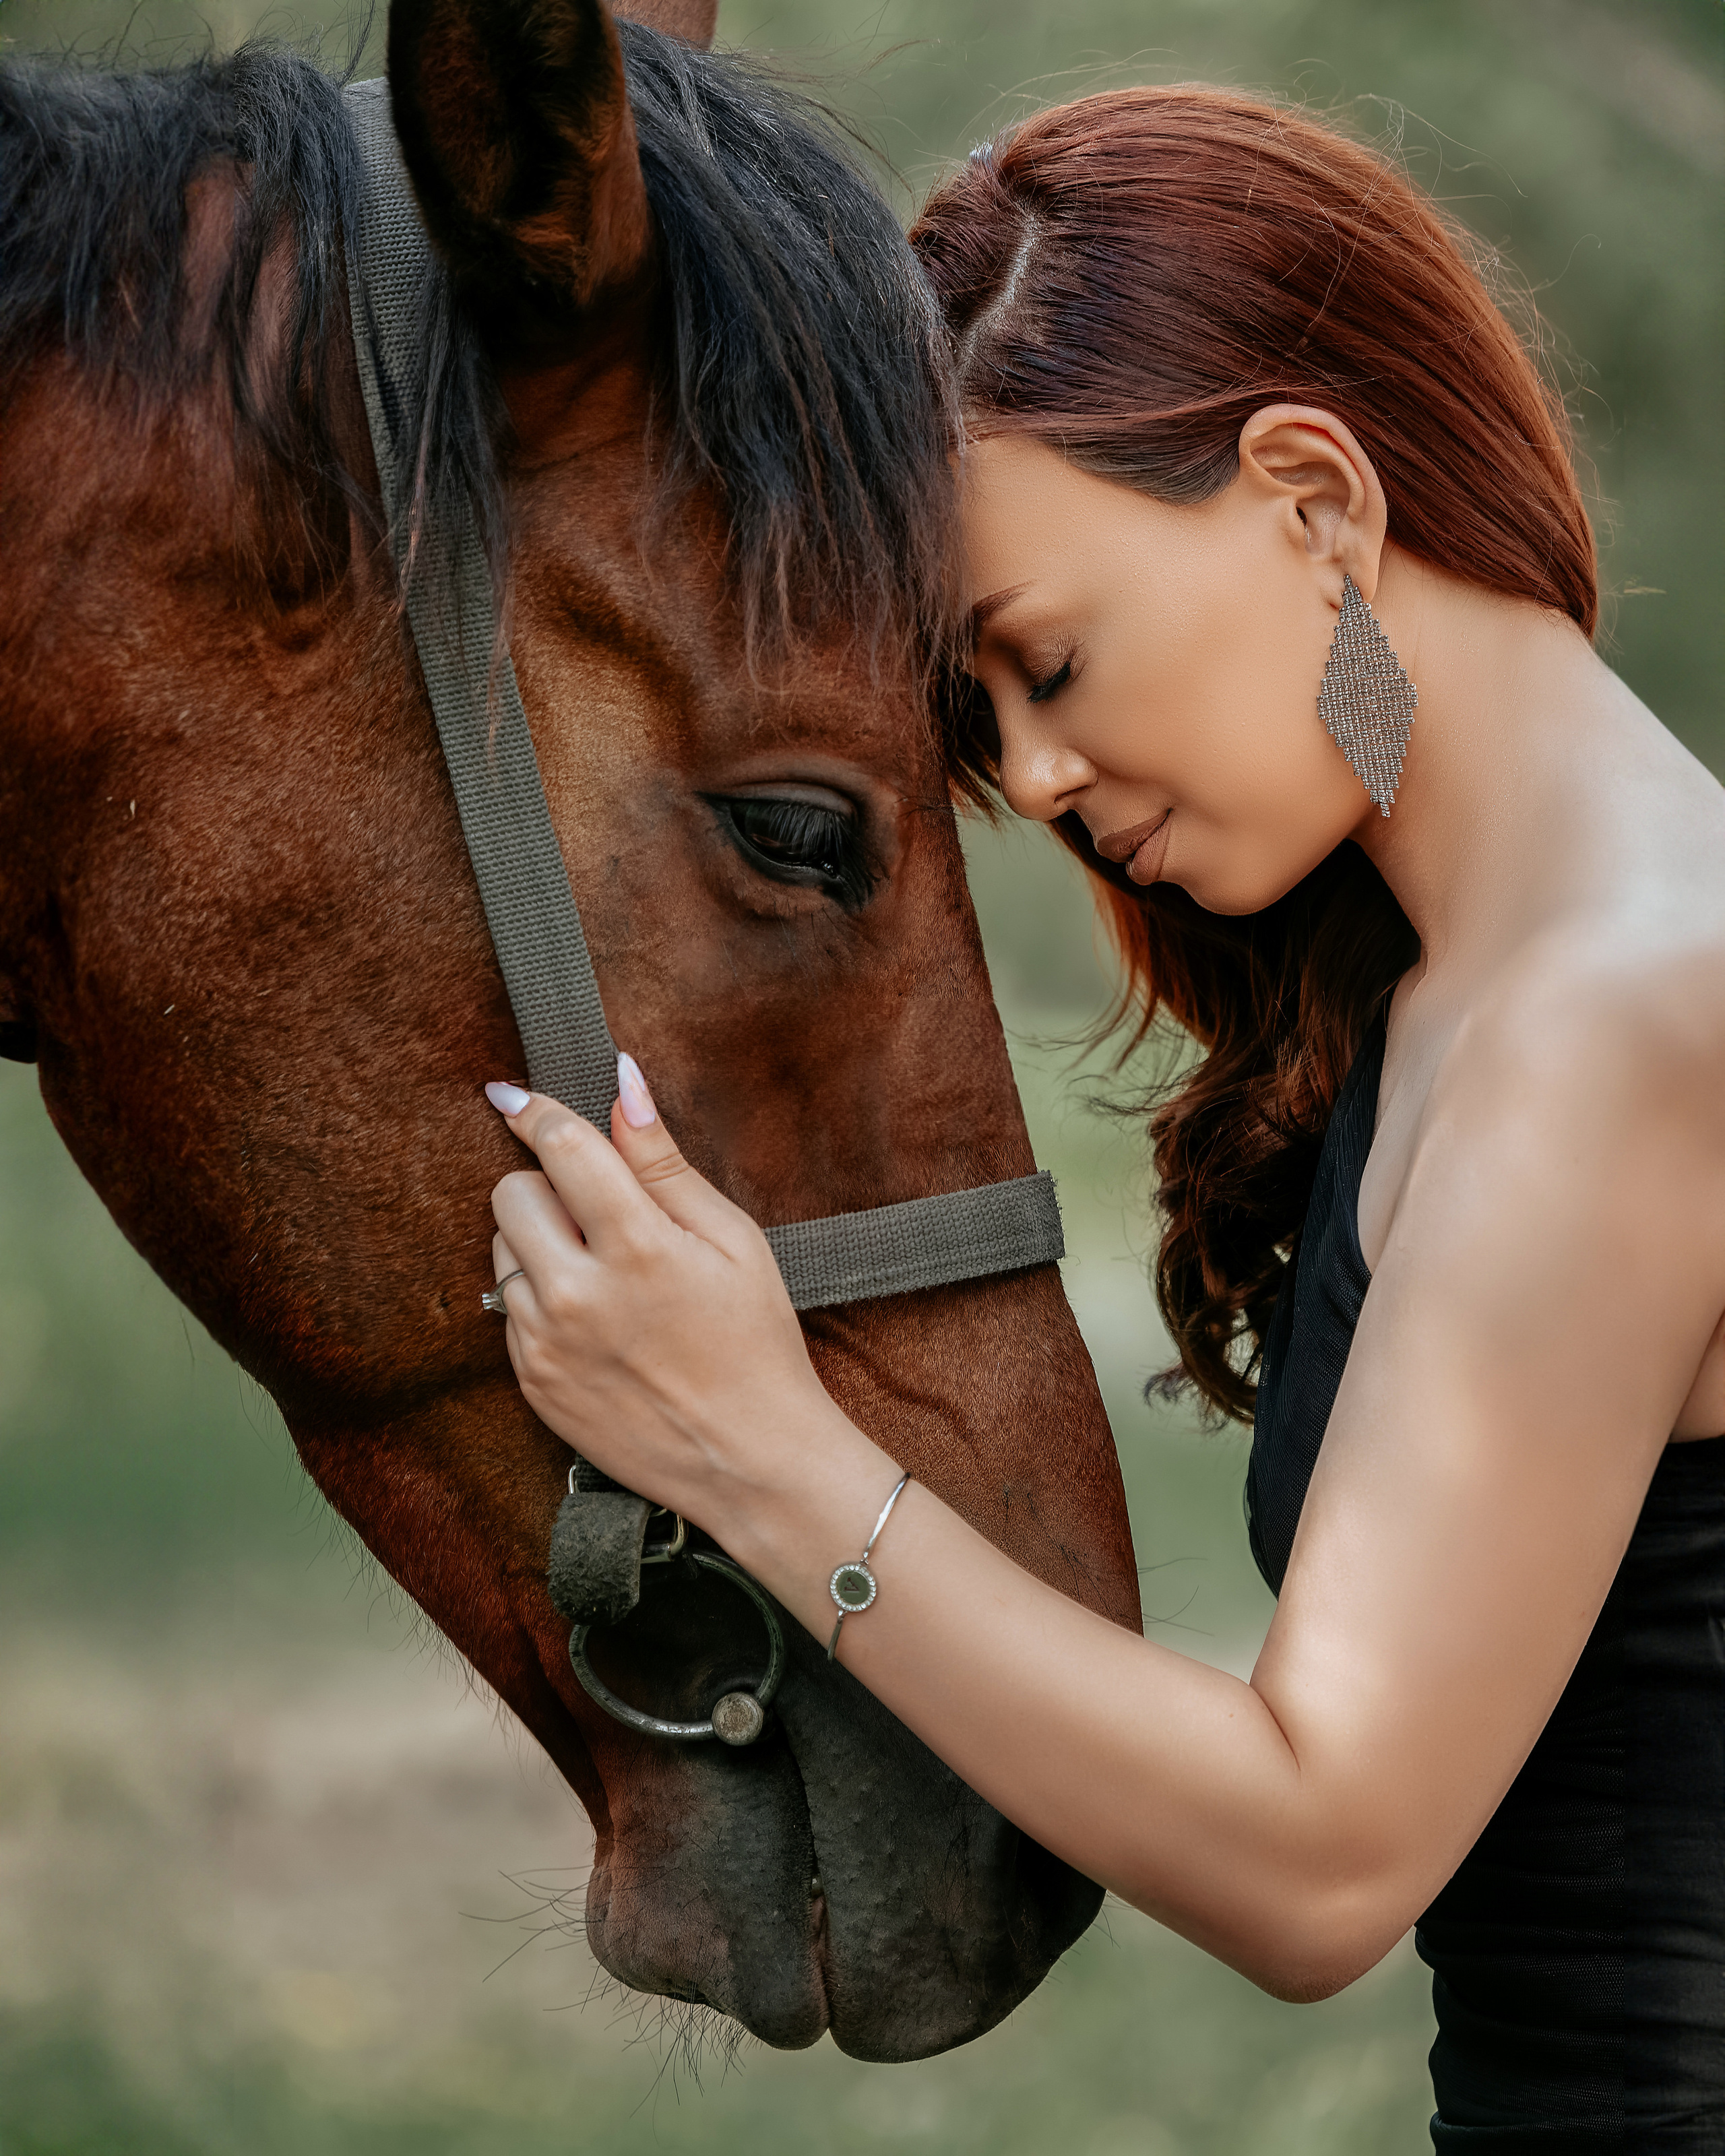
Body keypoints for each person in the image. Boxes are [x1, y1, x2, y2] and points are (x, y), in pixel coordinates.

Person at [480, 88, 1725, 2149]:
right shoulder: (1475, 994)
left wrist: (764, 1454)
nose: (1037, 781)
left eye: (1044, 663)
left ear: (1313, 500)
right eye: (992, 720)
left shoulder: (1627, 1014)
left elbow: (1326, 1856)